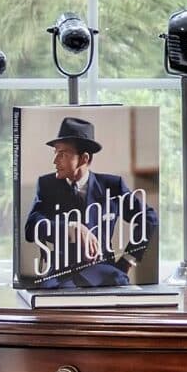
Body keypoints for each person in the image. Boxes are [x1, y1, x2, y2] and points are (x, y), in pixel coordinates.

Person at [22, 114, 156, 291]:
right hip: (59, 277)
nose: (55, 161)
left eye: (62, 154)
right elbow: (31, 227)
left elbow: (149, 218)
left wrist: (127, 260)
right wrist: (71, 228)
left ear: (84, 158)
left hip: (105, 274)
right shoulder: (47, 185)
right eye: (55, 153)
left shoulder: (112, 186)